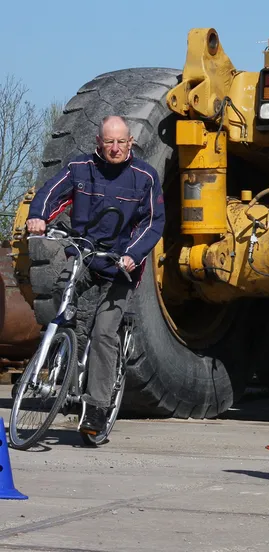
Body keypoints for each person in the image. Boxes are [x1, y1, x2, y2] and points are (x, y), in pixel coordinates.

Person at [26, 115, 165, 437]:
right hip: (85, 255)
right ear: (98, 144)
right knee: (63, 300)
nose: (115, 148)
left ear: (131, 142)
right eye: (108, 142)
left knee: (104, 334)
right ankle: (66, 354)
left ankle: (98, 408)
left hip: (122, 265)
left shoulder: (144, 176)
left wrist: (133, 254)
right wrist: (38, 218)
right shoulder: (80, 167)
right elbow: (51, 193)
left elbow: (152, 223)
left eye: (121, 142)